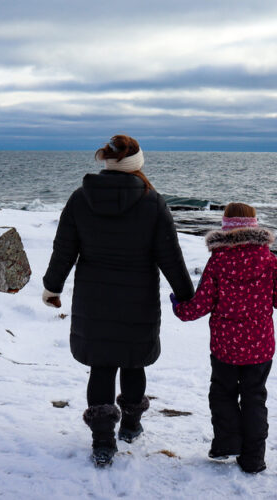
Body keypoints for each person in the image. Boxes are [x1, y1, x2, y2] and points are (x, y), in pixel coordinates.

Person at [42, 135, 194, 467]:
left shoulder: (80, 199)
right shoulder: (153, 202)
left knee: (102, 365)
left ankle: (102, 442)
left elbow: (64, 249)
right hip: (137, 300)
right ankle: (131, 425)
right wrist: (186, 295)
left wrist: (52, 288)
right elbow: (171, 256)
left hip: (94, 300)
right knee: (133, 361)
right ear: (137, 163)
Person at [170, 202, 277, 474]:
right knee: (254, 398)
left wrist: (180, 307)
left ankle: (226, 445)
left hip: (225, 346)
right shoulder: (268, 260)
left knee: (223, 394)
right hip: (260, 347)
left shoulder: (219, 260)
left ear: (226, 226)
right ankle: (253, 459)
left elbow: (199, 305)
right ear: (254, 224)